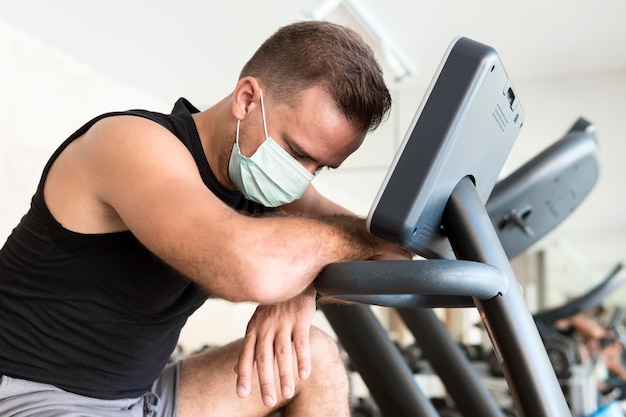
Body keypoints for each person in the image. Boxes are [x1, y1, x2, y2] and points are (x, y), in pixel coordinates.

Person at [0, 20, 410, 417]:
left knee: (315, 359)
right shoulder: (130, 143)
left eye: (320, 167)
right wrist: (298, 275)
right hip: (30, 394)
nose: (302, 176)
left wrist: (302, 289)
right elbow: (252, 271)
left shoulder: (267, 178)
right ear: (247, 100)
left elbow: (392, 260)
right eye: (297, 152)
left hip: (138, 398)